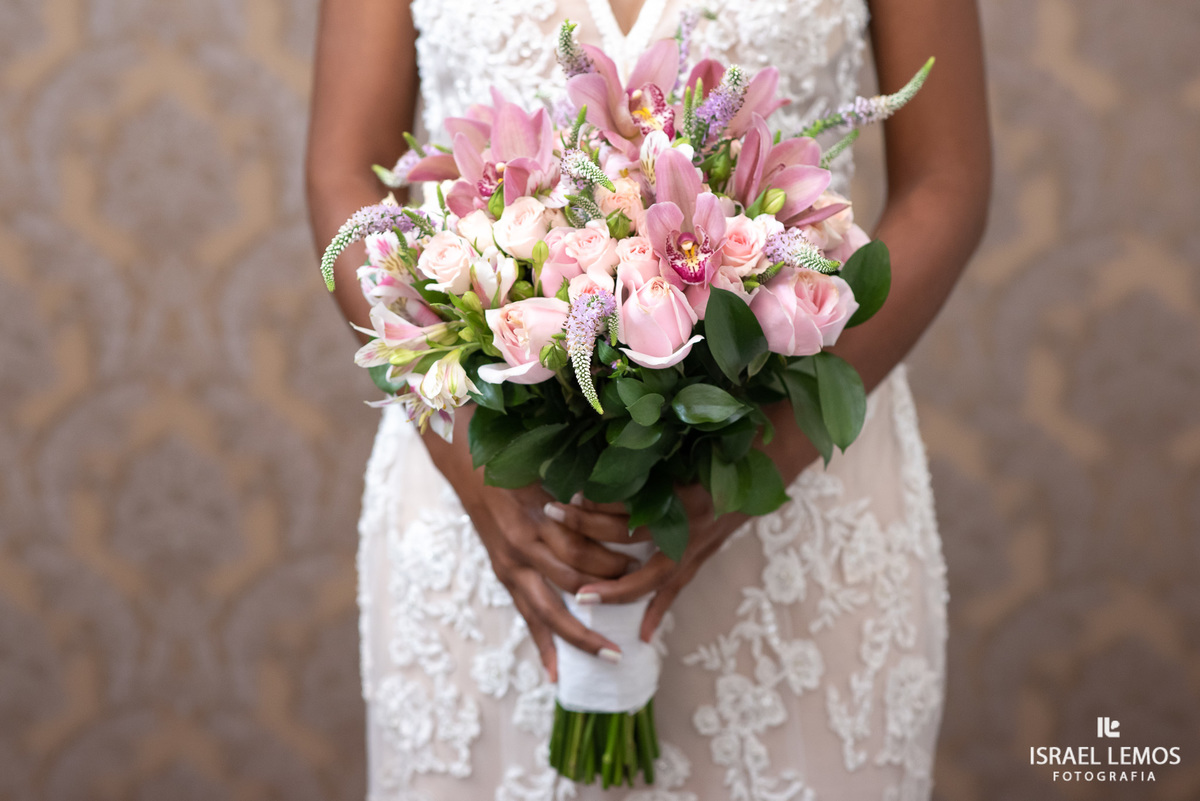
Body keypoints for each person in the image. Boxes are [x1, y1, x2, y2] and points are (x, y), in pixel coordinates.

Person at [306, 0, 990, 797]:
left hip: (794, 498)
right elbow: (341, 170)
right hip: (482, 496)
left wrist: (754, 465)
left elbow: (948, 180)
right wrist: (476, 471)